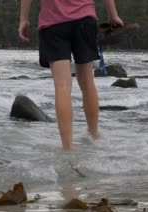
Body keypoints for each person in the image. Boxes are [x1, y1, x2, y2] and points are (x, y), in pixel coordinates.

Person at [18, 0, 124, 150]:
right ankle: (94, 136)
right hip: (84, 19)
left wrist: (24, 19)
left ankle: (67, 147)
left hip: (53, 23)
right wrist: (114, 15)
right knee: (87, 82)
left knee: (62, 85)